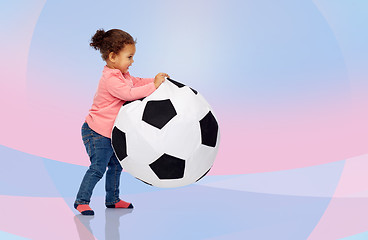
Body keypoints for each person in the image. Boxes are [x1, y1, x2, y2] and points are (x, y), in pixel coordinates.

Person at [74, 28, 169, 215]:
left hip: (111, 133)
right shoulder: (110, 79)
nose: (132, 62)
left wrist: (155, 80)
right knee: (98, 168)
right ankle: (81, 200)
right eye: (129, 57)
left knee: (117, 166)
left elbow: (137, 82)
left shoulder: (123, 75)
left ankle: (113, 199)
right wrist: (154, 86)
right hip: (96, 132)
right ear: (113, 57)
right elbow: (129, 94)